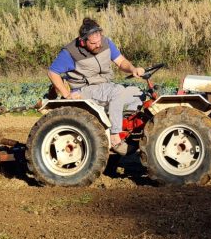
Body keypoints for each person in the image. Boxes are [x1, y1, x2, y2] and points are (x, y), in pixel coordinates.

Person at [47, 17, 145, 156]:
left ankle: (127, 132)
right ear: (83, 41)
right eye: (93, 43)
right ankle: (114, 137)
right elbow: (52, 72)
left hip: (106, 85)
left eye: (99, 41)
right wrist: (67, 95)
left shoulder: (106, 43)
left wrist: (133, 69)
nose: (98, 45)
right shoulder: (70, 52)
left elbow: (121, 61)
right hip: (84, 89)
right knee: (117, 92)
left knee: (138, 93)